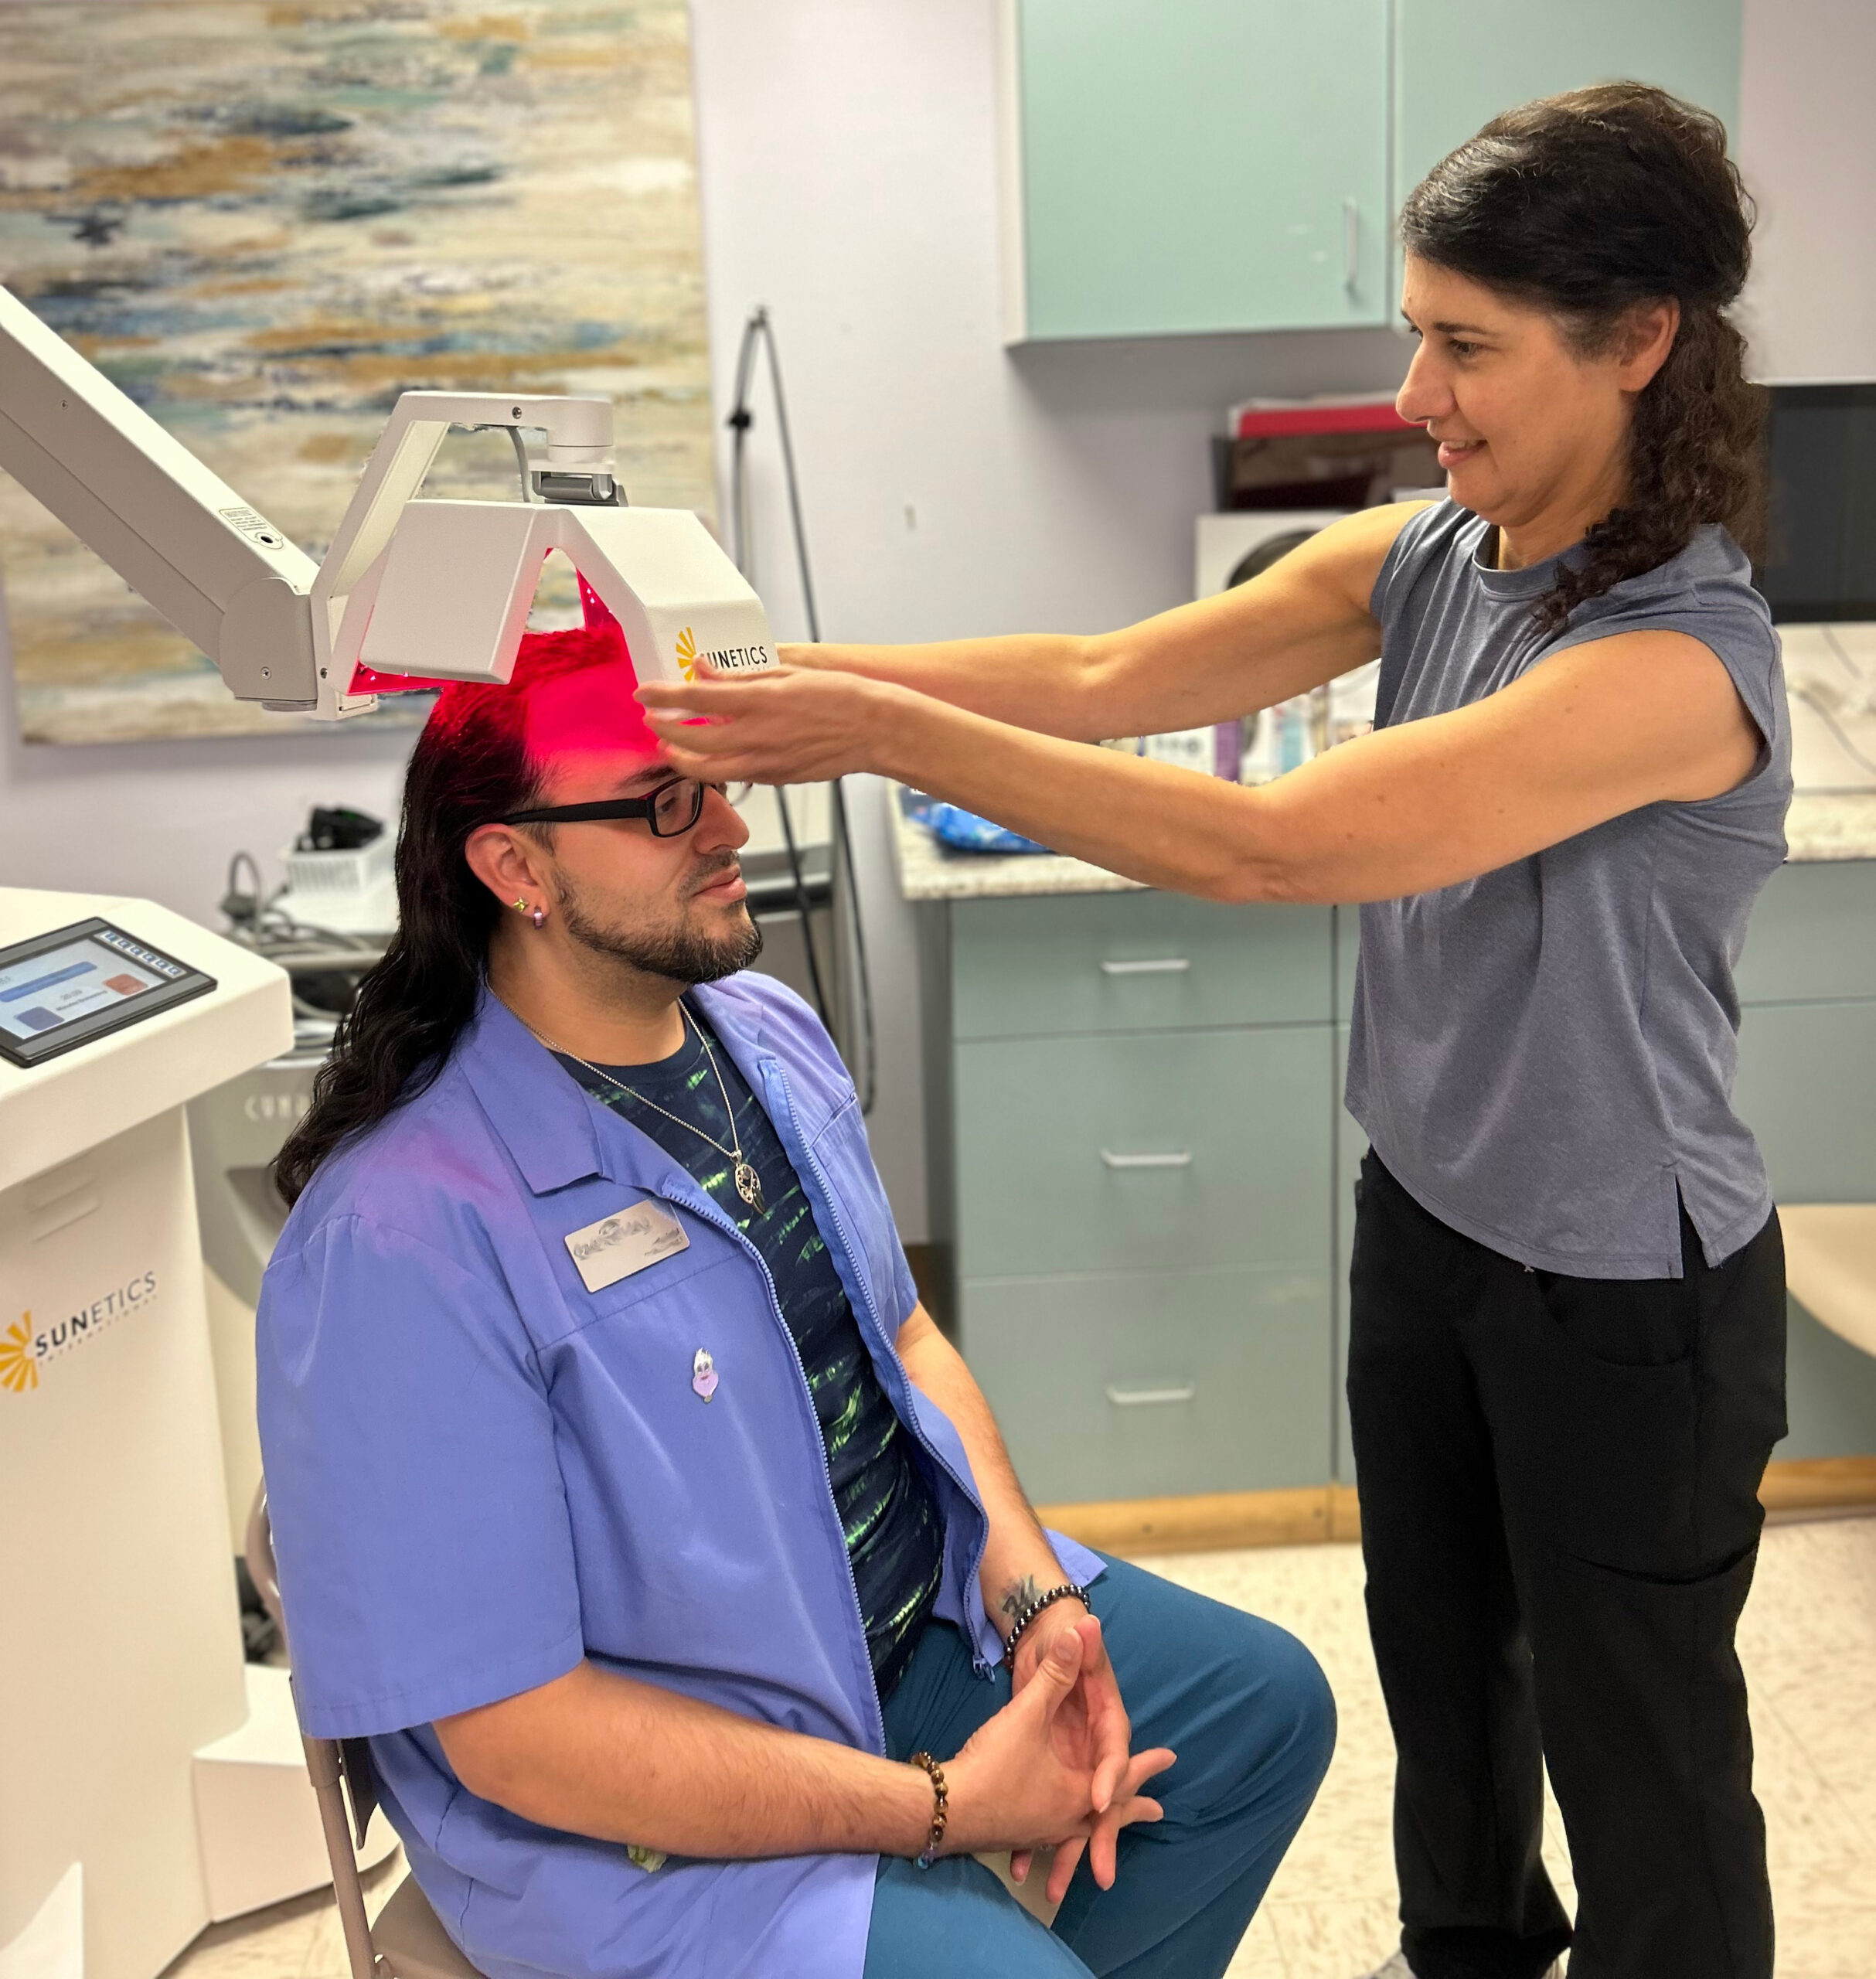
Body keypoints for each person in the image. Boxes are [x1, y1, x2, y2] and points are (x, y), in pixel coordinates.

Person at [638, 84, 1791, 1979]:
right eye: (1413, 331)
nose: (1414, 389)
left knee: (1640, 1757)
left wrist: (879, 735)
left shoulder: (1673, 663)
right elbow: (1104, 674)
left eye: (1465, 345)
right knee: (1454, 1696)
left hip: (1622, 1297)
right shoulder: (1434, 555)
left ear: (1638, 342)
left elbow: (1269, 848)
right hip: (1429, 1225)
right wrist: (775, 672)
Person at [257, 617, 1336, 1979]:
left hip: (907, 1633)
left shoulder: (765, 1033)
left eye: (718, 780)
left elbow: (903, 1333)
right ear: (512, 864)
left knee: (1264, 1715)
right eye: (663, 801)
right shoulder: (402, 1236)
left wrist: (1032, 1595)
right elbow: (519, 1737)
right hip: (648, 1809)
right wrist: (945, 1813)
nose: (724, 828)